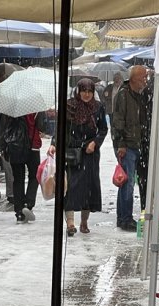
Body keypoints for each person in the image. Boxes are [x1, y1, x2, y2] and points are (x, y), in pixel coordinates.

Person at [50, 79, 107, 236]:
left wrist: (95, 142)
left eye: (89, 91)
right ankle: (70, 223)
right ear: (78, 91)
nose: (86, 94)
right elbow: (60, 128)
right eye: (84, 91)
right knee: (70, 187)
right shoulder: (70, 106)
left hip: (90, 153)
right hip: (72, 152)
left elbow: (103, 129)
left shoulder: (98, 107)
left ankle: (84, 222)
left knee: (89, 188)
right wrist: (54, 143)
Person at [111, 65, 151, 232]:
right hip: (126, 145)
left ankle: (123, 218)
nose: (146, 80)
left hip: (134, 143)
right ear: (134, 78)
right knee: (127, 184)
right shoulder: (124, 95)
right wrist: (121, 144)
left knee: (126, 182)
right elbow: (118, 120)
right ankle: (125, 218)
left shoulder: (138, 95)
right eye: (144, 77)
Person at [0, 112, 41, 223]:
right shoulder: (36, 109)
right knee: (35, 176)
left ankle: (19, 212)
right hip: (33, 146)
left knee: (18, 179)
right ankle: (28, 204)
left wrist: (3, 147)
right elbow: (43, 126)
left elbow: (4, 129)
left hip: (15, 146)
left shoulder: (11, 108)